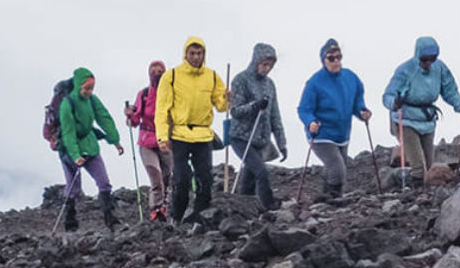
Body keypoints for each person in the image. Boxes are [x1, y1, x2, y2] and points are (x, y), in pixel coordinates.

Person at [155, 36, 228, 222]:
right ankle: (176, 218)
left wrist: (227, 98)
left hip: (203, 135)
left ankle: (200, 217)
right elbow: (162, 109)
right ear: (185, 54)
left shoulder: (212, 76)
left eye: (199, 53)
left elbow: (220, 105)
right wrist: (163, 137)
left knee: (206, 178)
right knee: (181, 179)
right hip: (179, 134)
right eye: (192, 53)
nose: (196, 57)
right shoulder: (171, 76)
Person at [382, 36, 460, 182]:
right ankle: (412, 193)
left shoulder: (439, 68)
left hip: (427, 120)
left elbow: (450, 91)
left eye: (432, 59)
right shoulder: (405, 70)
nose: (428, 63)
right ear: (417, 56)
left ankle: (422, 193)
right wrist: (395, 103)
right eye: (424, 59)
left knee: (429, 165)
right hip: (406, 120)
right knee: (418, 167)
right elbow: (388, 95)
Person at [297, 38, 371, 202]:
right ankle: (333, 199)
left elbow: (357, 100)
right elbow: (304, 109)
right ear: (324, 60)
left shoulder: (351, 78)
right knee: (337, 169)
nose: (336, 61)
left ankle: (323, 201)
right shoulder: (315, 83)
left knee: (338, 168)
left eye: (339, 57)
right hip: (321, 134)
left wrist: (362, 111)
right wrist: (310, 122)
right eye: (331, 58)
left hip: (342, 135)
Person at [57, 66, 124, 231]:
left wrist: (115, 140)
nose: (89, 92)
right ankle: (70, 223)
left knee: (104, 183)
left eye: (91, 88)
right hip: (69, 149)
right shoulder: (67, 104)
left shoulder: (92, 100)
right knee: (73, 188)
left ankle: (111, 220)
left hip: (90, 145)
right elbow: (68, 133)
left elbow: (104, 117)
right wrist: (75, 155)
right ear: (78, 85)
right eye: (86, 88)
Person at [229, 43, 288, 210]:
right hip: (241, 137)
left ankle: (242, 210)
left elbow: (275, 115)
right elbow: (235, 111)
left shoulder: (270, 85)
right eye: (264, 64)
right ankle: (269, 206)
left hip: (260, 140)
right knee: (261, 172)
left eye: (270, 65)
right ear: (256, 61)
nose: (267, 68)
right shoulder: (240, 80)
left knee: (249, 180)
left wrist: (282, 143)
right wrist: (255, 106)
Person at [125, 60, 170, 221]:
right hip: (147, 142)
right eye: (154, 71)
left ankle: (164, 207)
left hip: (166, 140)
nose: (157, 74)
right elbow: (135, 121)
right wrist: (130, 115)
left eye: (160, 71)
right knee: (156, 176)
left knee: (167, 176)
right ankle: (156, 209)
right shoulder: (144, 95)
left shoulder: (171, 94)